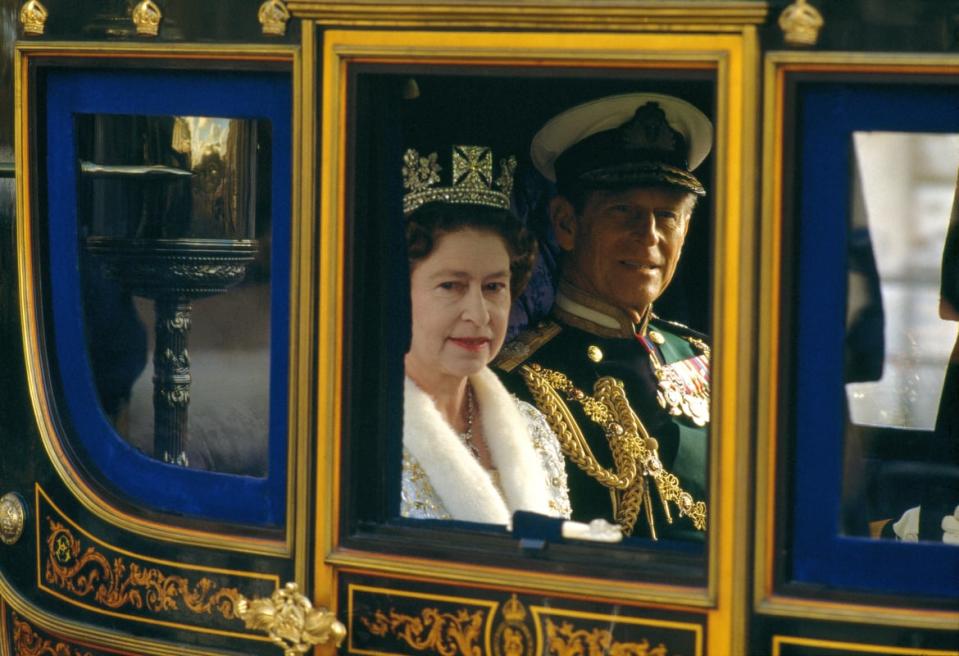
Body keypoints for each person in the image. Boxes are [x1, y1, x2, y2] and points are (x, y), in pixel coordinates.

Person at [495, 94, 712, 540]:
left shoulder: (703, 357)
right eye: (623, 211)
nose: (648, 235)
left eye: (666, 216)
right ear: (566, 223)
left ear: (685, 231)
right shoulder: (519, 381)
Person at [399, 144, 571, 524]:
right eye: (451, 286)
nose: (479, 316)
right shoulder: (358, 432)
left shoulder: (533, 428)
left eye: (494, 287)